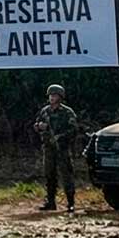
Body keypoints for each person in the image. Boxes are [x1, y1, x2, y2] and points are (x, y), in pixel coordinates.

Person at [33, 84, 80, 212]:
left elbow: (74, 129)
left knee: (66, 175)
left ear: (60, 97)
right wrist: (39, 126)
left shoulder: (67, 112)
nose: (52, 98)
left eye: (54, 95)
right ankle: (50, 201)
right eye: (50, 95)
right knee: (49, 175)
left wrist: (60, 137)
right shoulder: (45, 111)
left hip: (62, 149)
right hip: (48, 148)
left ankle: (70, 202)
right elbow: (36, 125)